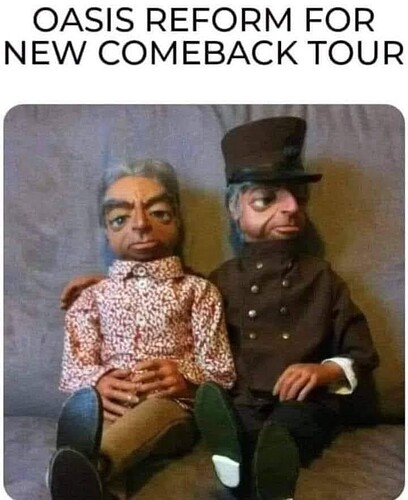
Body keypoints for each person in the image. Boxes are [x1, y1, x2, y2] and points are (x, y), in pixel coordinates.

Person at [60, 118, 380, 500]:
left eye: (299, 197)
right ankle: (226, 459)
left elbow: (361, 351)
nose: (292, 208)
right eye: (265, 200)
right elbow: (170, 288)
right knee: (227, 422)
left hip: (298, 401)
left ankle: (259, 470)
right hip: (237, 403)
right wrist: (115, 283)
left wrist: (324, 370)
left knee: (288, 427)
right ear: (234, 209)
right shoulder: (219, 280)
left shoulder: (321, 279)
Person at [49, 159, 236, 500]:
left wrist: (186, 377)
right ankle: (93, 481)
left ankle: (90, 463)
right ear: (106, 232)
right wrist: (98, 382)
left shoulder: (199, 291)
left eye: (159, 213)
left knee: (149, 417)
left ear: (177, 220)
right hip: (109, 407)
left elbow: (221, 370)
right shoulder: (91, 297)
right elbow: (76, 364)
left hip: (172, 406)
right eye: (120, 219)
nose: (140, 225)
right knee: (97, 423)